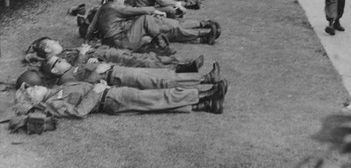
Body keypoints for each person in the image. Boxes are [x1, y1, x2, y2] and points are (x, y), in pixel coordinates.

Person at [10, 77, 228, 129]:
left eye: (33, 86)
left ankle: (206, 104)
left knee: (154, 101)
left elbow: (82, 86)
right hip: (110, 99)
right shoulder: (53, 104)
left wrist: (97, 81)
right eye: (32, 90)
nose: (36, 86)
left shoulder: (57, 90)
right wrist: (96, 91)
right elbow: (79, 111)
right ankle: (205, 95)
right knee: (157, 97)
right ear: (35, 99)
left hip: (111, 93)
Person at [85, 0, 218, 50]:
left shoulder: (104, 7)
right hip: (121, 40)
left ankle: (202, 32)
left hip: (123, 37)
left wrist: (86, 40)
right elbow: (137, 11)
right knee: (160, 25)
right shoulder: (115, 7)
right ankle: (202, 33)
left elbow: (91, 27)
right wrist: (155, 11)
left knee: (167, 26)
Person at [40, 53, 221, 91]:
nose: (62, 59)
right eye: (58, 61)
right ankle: (205, 80)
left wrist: (91, 62)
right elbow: (84, 88)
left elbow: (81, 70)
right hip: (114, 77)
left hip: (117, 71)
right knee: (159, 81)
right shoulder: (64, 81)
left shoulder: (71, 69)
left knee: (161, 75)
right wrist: (98, 71)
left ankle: (202, 78)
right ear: (55, 69)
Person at [25, 37, 204, 73]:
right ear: (48, 50)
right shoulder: (53, 62)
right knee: (139, 62)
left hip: (103, 53)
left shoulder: (62, 52)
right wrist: (82, 54)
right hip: (102, 61)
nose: (58, 41)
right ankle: (181, 67)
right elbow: (71, 73)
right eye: (53, 43)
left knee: (144, 57)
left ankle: (183, 63)